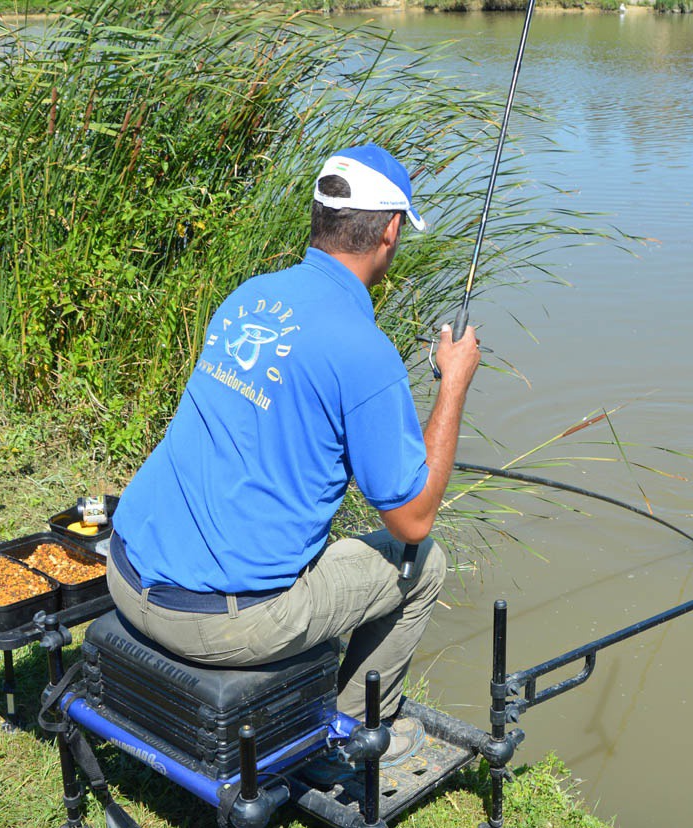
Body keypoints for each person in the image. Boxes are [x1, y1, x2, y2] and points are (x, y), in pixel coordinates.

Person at [106, 143, 480, 769]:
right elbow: (413, 519)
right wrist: (454, 385)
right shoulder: (365, 351)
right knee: (426, 562)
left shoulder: (250, 296)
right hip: (218, 626)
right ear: (390, 229)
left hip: (126, 574)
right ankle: (352, 738)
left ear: (320, 216)